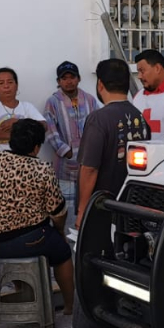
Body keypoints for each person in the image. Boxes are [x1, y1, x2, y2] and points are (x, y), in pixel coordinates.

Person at [47, 58, 149, 328]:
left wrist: (81, 212)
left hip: (100, 208)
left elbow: (88, 169)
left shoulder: (99, 119)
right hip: (129, 209)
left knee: (86, 272)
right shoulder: (138, 117)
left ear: (100, 85)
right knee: (116, 269)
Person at [0, 118, 75, 328]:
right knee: (62, 252)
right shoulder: (42, 169)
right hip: (31, 241)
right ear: (36, 147)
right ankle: (70, 306)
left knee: (27, 248)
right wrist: (60, 232)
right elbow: (57, 212)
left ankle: (26, 296)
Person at [0, 67, 44, 273]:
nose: (6, 86)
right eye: (1, 83)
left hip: (25, 168)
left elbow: (43, 125)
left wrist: (17, 123)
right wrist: (19, 136)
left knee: (24, 212)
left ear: (17, 85)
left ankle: (23, 251)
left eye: (10, 82)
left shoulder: (26, 106)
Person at [43, 60, 100, 217]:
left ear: (79, 78)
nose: (69, 81)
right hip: (65, 165)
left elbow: (98, 126)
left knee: (88, 207)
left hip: (88, 162)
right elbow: (49, 130)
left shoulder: (90, 100)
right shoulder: (53, 102)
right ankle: (66, 241)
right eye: (64, 78)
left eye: (72, 77)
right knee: (65, 209)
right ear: (59, 81)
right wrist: (65, 151)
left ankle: (83, 240)